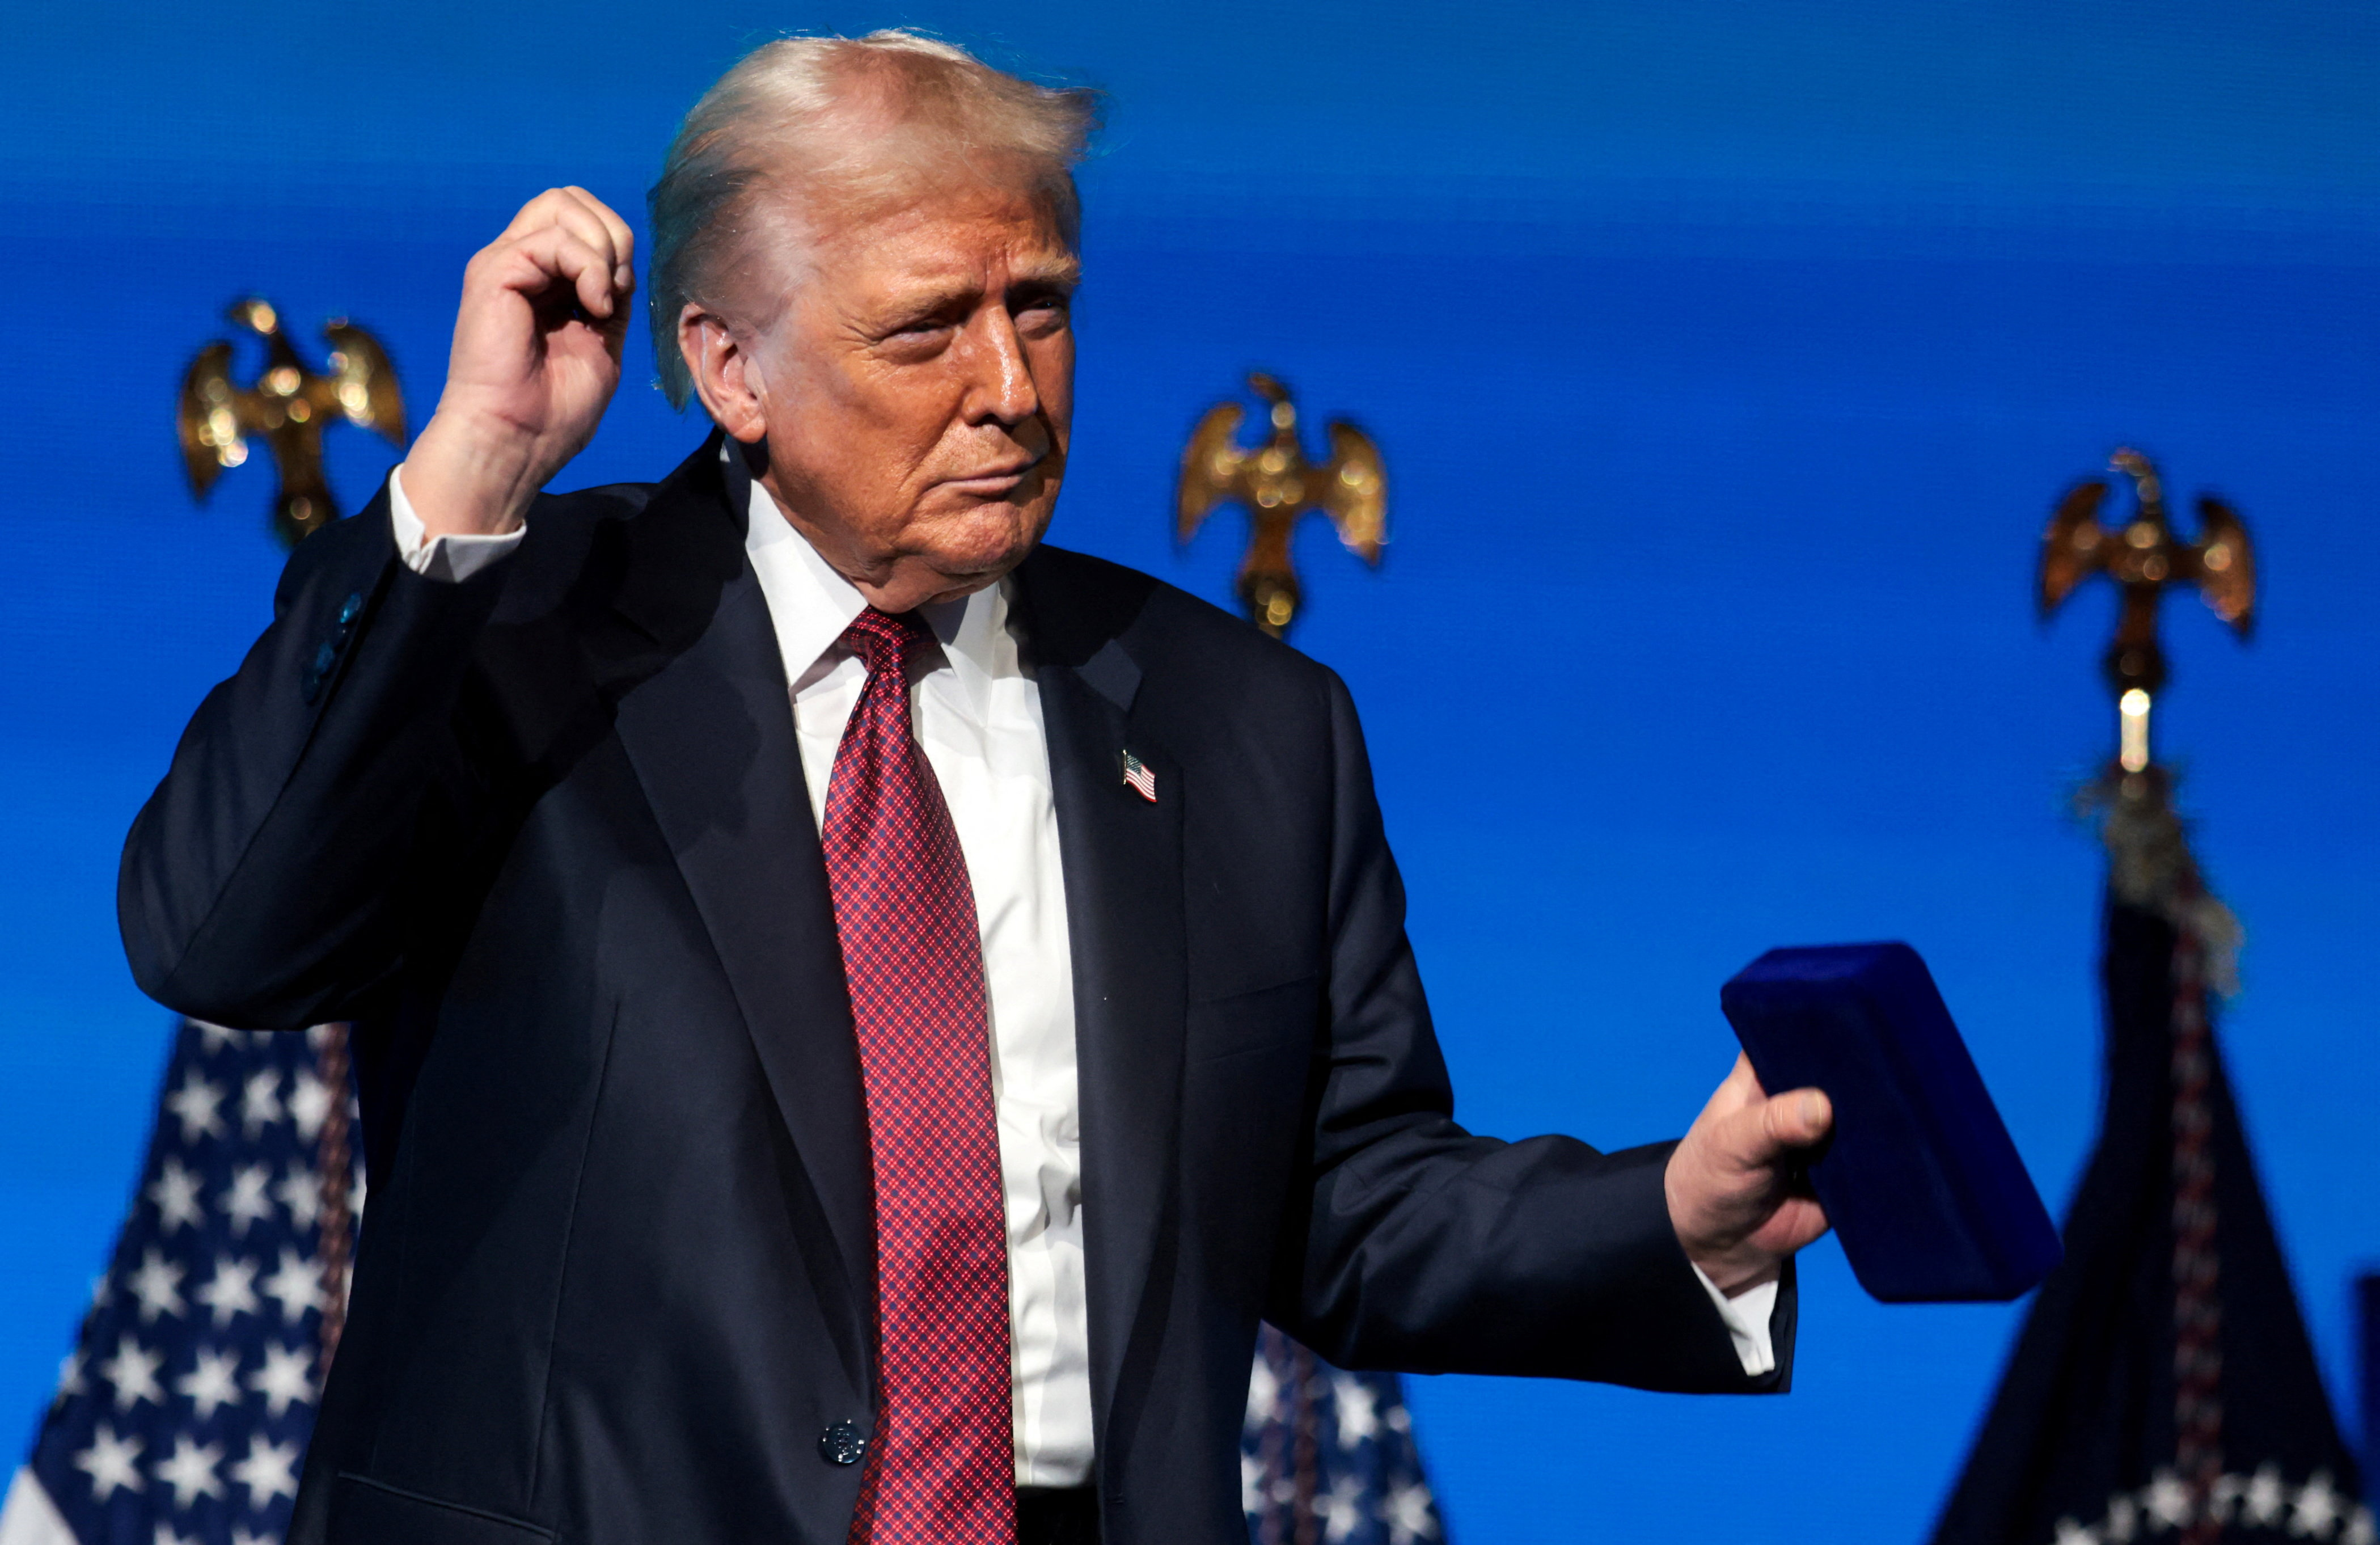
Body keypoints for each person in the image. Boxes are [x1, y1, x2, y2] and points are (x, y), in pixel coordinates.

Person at [119, 31, 1832, 1545]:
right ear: (732, 370)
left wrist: (1672, 1216)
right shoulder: (523, 633)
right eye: (931, 326)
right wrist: (471, 468)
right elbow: (220, 934)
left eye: (1043, 309)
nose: (1010, 390)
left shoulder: (1247, 722)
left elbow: (1344, 1201)